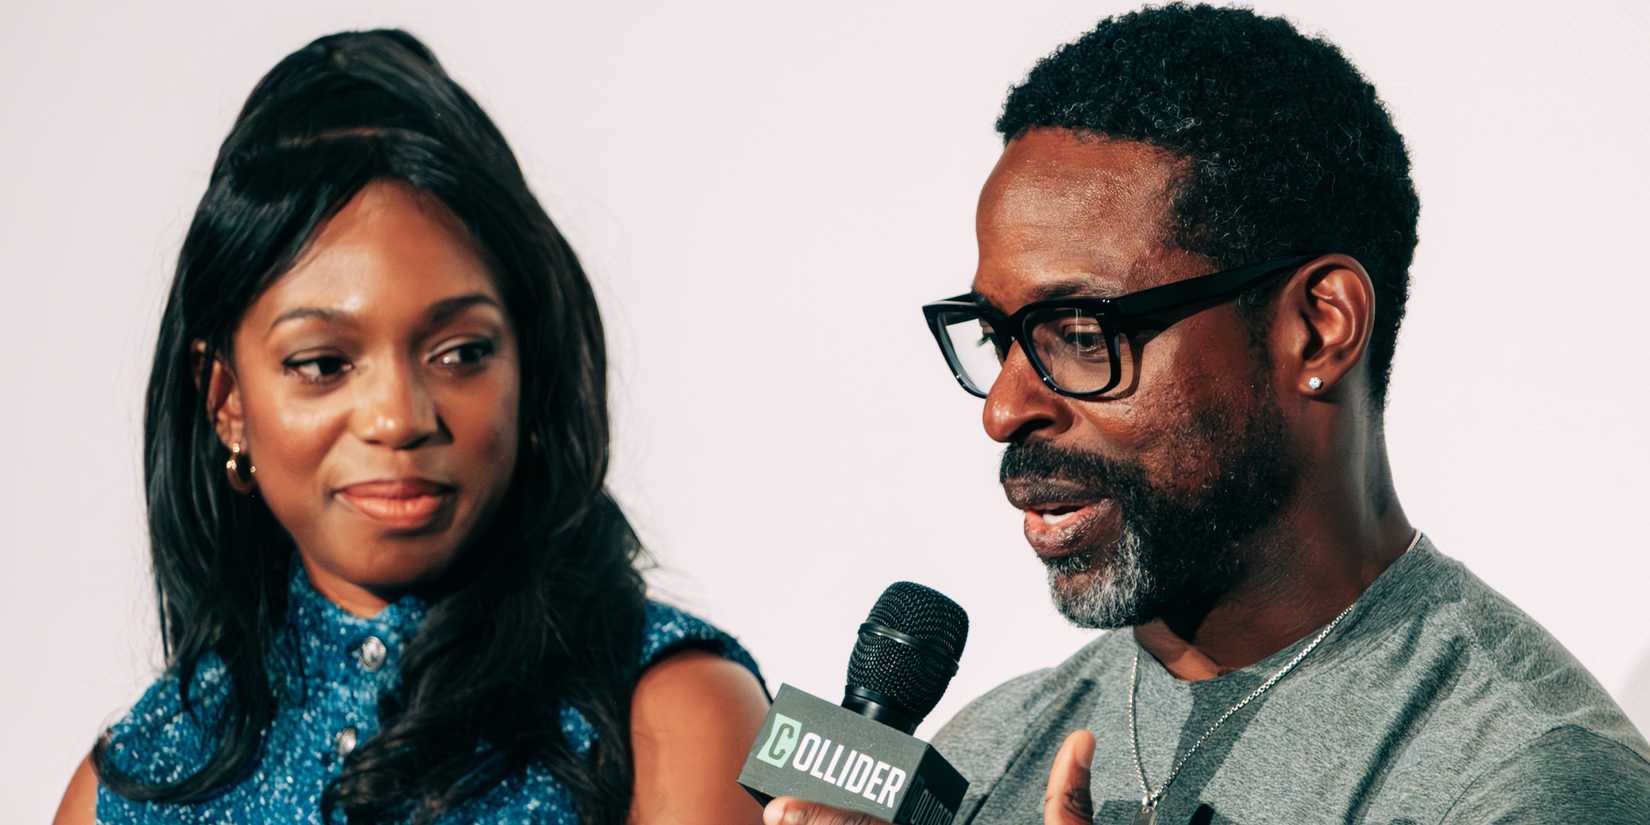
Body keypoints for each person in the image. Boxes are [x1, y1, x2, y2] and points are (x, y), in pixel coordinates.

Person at [767, 5, 1650, 824]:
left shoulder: (1528, 779)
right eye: (998, 337)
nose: (1004, 410)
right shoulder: (989, 749)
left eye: (1079, 332)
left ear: (1317, 327)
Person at [51, 29, 768, 825]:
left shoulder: (673, 717)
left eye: (461, 352)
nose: (398, 418)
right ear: (227, 401)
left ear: (528, 369)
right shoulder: (132, 782)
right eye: (322, 363)